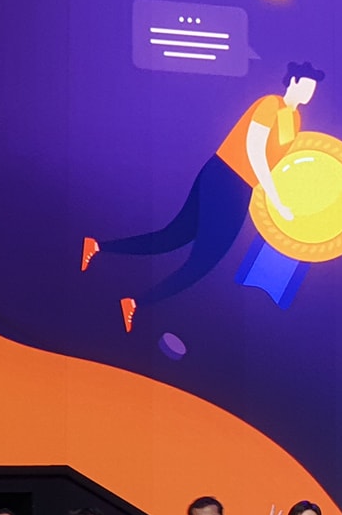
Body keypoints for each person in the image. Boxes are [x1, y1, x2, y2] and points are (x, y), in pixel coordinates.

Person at [83, 62, 329, 327]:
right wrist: (276, 202)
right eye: (306, 86)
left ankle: (97, 248)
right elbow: (255, 152)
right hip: (226, 179)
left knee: (174, 237)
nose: (309, 93)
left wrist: (338, 152)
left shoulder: (294, 118)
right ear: (292, 82)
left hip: (240, 186)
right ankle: (135, 302)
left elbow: (281, 158)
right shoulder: (270, 104)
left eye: (312, 89)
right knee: (202, 261)